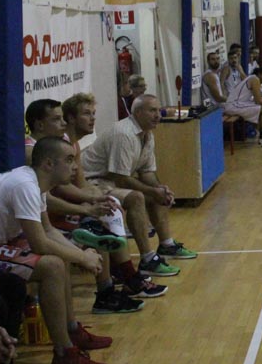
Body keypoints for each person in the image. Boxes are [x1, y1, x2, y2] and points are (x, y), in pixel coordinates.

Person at [0, 137, 111, 364]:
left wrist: (79, 254)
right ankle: (64, 355)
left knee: (60, 257)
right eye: (69, 160)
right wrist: (82, 258)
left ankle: (71, 332)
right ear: (49, 164)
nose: (75, 166)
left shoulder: (36, 183)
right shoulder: (25, 185)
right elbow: (40, 244)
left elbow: (48, 230)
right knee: (52, 265)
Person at [23, 99, 145, 315]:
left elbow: (79, 184)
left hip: (55, 213)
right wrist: (87, 208)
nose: (63, 123)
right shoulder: (32, 152)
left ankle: (119, 277)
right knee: (97, 227)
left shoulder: (63, 144)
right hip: (43, 218)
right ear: (40, 124)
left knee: (107, 211)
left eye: (63, 118)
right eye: (57, 119)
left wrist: (97, 198)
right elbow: (49, 198)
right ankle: (116, 282)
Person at [60, 94, 167, 301]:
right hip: (79, 195)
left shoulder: (74, 145)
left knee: (119, 202)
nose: (93, 118)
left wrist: (158, 189)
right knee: (117, 206)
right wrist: (89, 204)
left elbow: (81, 184)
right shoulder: (59, 147)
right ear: (71, 118)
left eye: (93, 113)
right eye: (86, 114)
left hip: (95, 187)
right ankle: (123, 278)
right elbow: (61, 189)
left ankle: (152, 254)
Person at [81, 95, 198, 277]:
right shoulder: (124, 134)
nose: (158, 115)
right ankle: (147, 259)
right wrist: (153, 191)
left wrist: (161, 190)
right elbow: (121, 178)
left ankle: (166, 244)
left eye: (158, 110)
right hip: (93, 183)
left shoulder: (147, 134)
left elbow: (147, 173)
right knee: (136, 197)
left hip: (110, 181)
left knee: (157, 192)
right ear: (137, 113)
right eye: (152, 111)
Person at [224, 66, 262, 147]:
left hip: (238, 104)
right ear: (259, 74)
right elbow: (258, 100)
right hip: (233, 105)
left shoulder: (254, 79)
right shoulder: (255, 79)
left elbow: (258, 100)